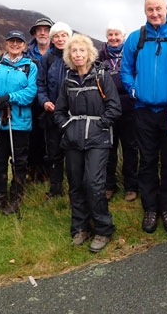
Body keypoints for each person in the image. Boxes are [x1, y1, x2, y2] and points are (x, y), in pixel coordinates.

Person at [120, 0, 167, 234]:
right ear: (145, 11)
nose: (154, 13)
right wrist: (132, 89)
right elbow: (125, 69)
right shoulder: (136, 38)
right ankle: (150, 209)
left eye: (158, 8)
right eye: (150, 9)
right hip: (144, 111)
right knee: (147, 161)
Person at [54, 33, 121, 252]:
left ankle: (103, 229)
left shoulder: (101, 76)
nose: (78, 54)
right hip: (73, 140)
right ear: (69, 55)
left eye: (82, 50)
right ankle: (80, 227)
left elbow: (114, 107)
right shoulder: (68, 81)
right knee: (75, 184)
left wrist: (100, 125)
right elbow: (59, 111)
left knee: (94, 183)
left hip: (98, 139)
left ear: (89, 53)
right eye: (74, 51)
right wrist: (67, 127)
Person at [0, 30, 38, 215]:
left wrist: (9, 97)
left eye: (19, 42)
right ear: (6, 43)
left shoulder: (30, 66)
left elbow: (31, 92)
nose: (15, 44)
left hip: (19, 122)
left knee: (19, 162)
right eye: (12, 41)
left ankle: (16, 197)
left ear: (24, 45)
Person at [97, 19, 139, 202]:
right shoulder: (99, 56)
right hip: (107, 108)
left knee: (130, 148)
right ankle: (109, 185)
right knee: (109, 149)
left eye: (117, 34)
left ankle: (131, 186)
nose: (114, 38)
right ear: (107, 37)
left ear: (124, 36)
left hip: (129, 108)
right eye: (111, 34)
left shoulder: (131, 54)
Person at [36, 22, 73, 198]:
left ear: (69, 37)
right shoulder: (47, 59)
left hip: (73, 115)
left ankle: (76, 190)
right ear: (52, 39)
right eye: (56, 36)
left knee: (74, 154)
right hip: (52, 114)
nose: (60, 39)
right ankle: (56, 190)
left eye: (63, 35)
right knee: (54, 154)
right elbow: (40, 84)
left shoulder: (76, 56)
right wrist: (44, 102)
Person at [24, 18, 54, 184]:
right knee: (32, 138)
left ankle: (49, 174)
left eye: (46, 29)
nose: (43, 33)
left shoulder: (60, 52)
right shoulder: (25, 54)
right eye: (39, 30)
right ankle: (31, 173)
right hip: (30, 104)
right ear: (34, 33)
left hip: (52, 103)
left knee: (50, 139)